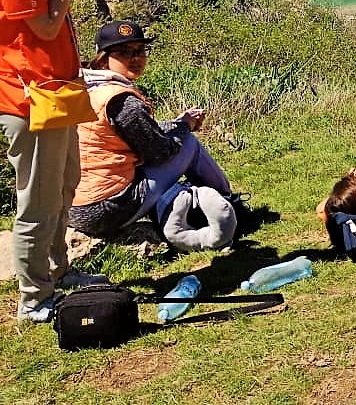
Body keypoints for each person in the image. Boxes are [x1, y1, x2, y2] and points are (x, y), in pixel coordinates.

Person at [0, 0, 105, 322]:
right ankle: (34, 298)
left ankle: (59, 273)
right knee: (37, 202)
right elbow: (45, 24)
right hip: (28, 98)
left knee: (63, 186)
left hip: (53, 90)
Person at [68, 21, 240, 249]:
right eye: (124, 52)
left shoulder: (86, 87)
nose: (135, 58)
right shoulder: (122, 101)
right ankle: (230, 203)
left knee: (180, 138)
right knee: (188, 143)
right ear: (104, 57)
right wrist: (185, 128)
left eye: (139, 51)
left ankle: (192, 208)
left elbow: (137, 134)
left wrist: (178, 123)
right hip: (106, 209)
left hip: (74, 204)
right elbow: (158, 152)